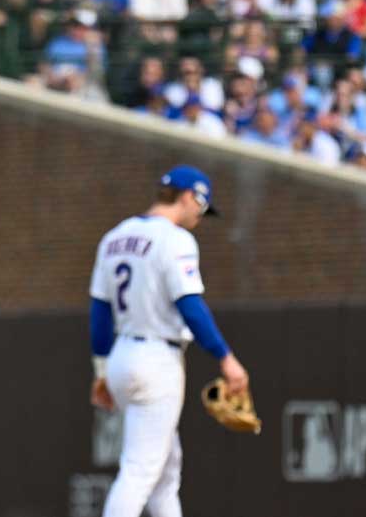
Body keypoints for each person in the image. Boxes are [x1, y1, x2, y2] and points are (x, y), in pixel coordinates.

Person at [89, 165, 251, 517]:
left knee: (165, 469)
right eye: (202, 209)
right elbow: (190, 306)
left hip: (121, 355)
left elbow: (100, 312)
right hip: (156, 359)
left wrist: (101, 371)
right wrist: (226, 357)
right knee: (139, 472)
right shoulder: (175, 239)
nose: (200, 218)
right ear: (191, 197)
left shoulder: (114, 237)